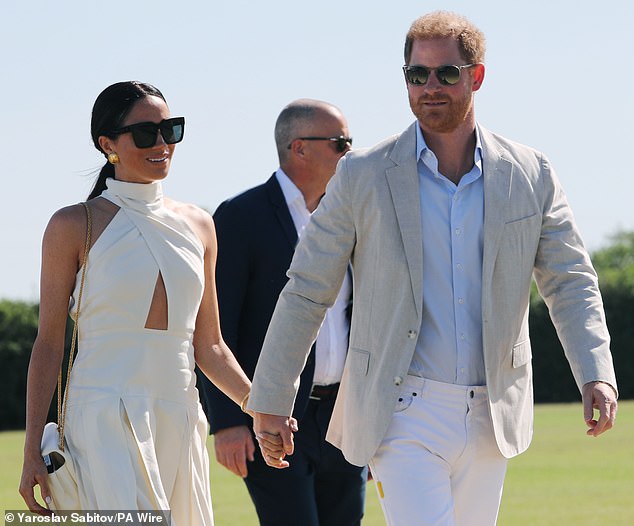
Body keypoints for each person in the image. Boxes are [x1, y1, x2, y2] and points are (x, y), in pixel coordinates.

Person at [247, 11, 619, 526]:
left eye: (446, 73)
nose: (430, 87)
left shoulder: (531, 173)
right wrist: (271, 395)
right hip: (401, 410)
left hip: (494, 412)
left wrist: (596, 372)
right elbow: (308, 289)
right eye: (416, 75)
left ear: (477, 76)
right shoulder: (362, 174)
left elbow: (570, 281)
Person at [19, 81, 253, 524]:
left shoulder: (200, 225)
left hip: (179, 414)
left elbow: (212, 347)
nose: (162, 143)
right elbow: (48, 344)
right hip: (101, 417)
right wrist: (32, 449)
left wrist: (259, 407)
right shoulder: (73, 224)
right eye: (146, 133)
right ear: (108, 144)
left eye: (171, 130)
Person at [198, 99, 366, 526]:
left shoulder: (350, 215)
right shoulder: (240, 217)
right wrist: (228, 422)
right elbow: (217, 326)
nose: (350, 152)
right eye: (340, 143)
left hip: (344, 417)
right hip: (273, 419)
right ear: (300, 148)